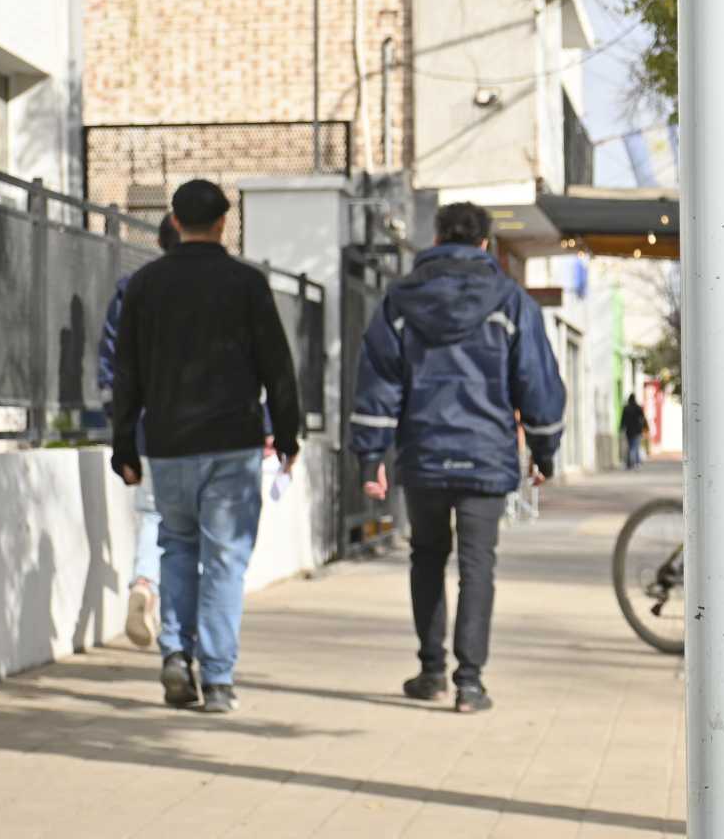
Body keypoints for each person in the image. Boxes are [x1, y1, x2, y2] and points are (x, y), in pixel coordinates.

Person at [350, 202, 566, 713]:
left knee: (426, 558)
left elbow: (378, 378)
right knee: (477, 566)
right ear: (486, 244)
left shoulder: (399, 301)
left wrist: (369, 456)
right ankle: (470, 683)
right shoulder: (512, 302)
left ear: (437, 237)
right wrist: (544, 450)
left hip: (423, 453)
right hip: (486, 458)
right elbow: (536, 381)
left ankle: (431, 672)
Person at [110, 180, 303, 714]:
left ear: (173, 220)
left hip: (168, 443)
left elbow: (127, 372)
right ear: (223, 222)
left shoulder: (145, 285)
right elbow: (277, 367)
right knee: (224, 560)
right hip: (232, 443)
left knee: (175, 546)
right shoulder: (246, 283)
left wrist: (124, 443)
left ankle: (175, 653)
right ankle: (217, 680)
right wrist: (287, 435)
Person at [98, 214, 180, 649]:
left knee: (152, 515)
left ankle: (144, 583)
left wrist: (121, 422)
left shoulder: (132, 290)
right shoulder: (216, 287)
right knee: (192, 529)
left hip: (147, 425)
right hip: (203, 430)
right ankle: (180, 635)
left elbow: (111, 362)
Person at [620, 393, 647, 470]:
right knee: (636, 447)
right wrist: (645, 428)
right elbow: (643, 419)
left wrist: (621, 428)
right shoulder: (638, 408)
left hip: (629, 431)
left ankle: (630, 463)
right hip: (637, 431)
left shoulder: (626, 408)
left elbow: (623, 420)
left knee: (630, 447)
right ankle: (637, 463)